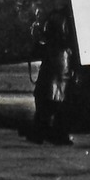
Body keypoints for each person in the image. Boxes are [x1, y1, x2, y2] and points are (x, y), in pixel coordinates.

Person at [28, 8, 79, 146]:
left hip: (55, 62)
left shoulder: (54, 17)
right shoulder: (63, 18)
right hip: (61, 63)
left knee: (48, 102)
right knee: (58, 103)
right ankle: (56, 134)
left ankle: (40, 132)